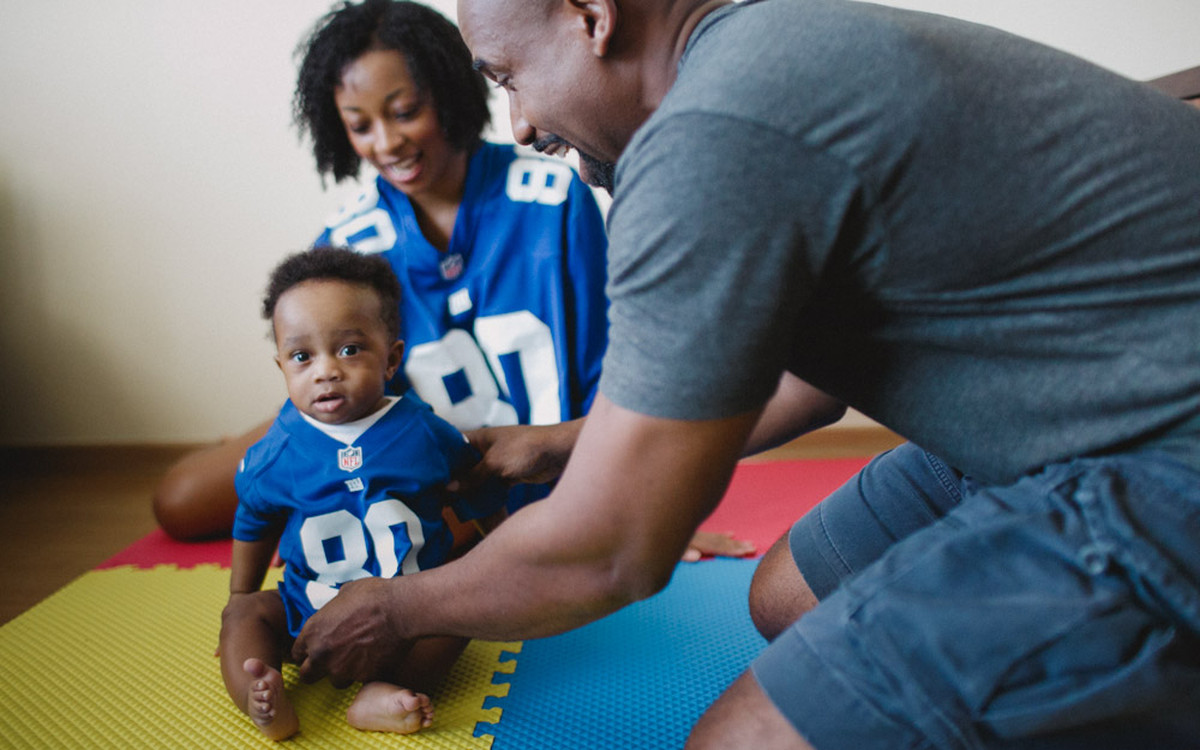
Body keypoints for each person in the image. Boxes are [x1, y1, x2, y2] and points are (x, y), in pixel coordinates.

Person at [289, 0, 1200, 747]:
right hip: (1060, 403)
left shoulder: (709, 136)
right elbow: (810, 379)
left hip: (1164, 452)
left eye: (509, 78)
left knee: (739, 742)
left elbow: (613, 550)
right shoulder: (763, 46)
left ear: (591, 15)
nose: (522, 123)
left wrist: (399, 606)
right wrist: (566, 446)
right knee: (786, 598)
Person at [150, 0, 751, 561]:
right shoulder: (348, 242)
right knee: (179, 501)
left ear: (449, 91)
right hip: (397, 463)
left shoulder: (553, 197)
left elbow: (606, 364)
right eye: (360, 125)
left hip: (530, 465)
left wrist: (645, 510)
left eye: (405, 111)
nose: (386, 142)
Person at [220, 246, 505, 741]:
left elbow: (476, 492)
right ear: (281, 366)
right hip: (307, 611)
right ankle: (261, 700)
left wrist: (506, 554)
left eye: (349, 349)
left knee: (465, 609)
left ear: (392, 357)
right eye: (302, 356)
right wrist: (241, 595)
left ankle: (384, 689)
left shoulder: (425, 433)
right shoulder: (277, 451)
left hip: (410, 613)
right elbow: (253, 520)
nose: (325, 370)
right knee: (243, 615)